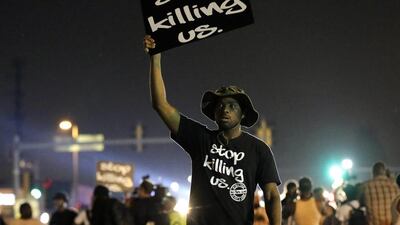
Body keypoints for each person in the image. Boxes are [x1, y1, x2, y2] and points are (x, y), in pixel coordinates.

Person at [144, 35, 282, 225]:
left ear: (243, 114)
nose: (224, 109)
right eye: (220, 106)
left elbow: (272, 195)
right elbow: (160, 104)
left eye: (232, 106)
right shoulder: (201, 139)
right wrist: (155, 57)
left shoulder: (259, 150)